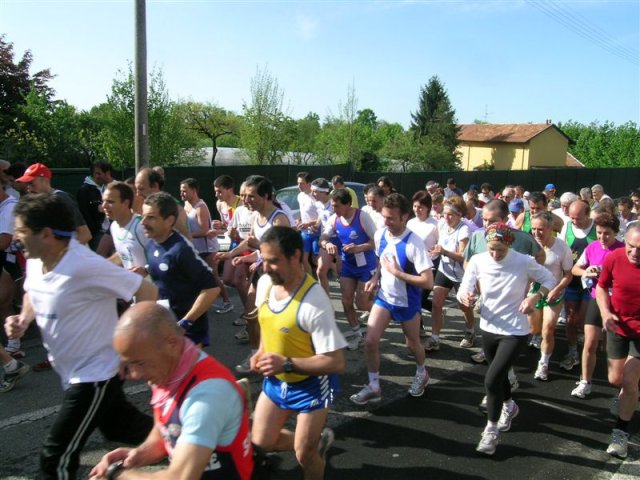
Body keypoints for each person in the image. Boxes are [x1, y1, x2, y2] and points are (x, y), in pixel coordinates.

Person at [5, 193, 157, 480]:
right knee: (121, 428)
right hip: (73, 371)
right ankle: (203, 448)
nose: (16, 238)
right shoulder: (38, 260)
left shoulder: (83, 265)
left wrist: (130, 348)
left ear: (47, 234)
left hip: (95, 375)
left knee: (56, 456)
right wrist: (23, 320)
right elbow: (32, 293)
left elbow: (145, 290)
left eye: (22, 231)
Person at [89, 302, 254, 480]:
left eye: (139, 363)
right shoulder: (168, 373)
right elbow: (168, 430)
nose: (134, 374)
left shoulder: (207, 396)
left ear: (171, 343)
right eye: (128, 364)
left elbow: (181, 477)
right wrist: (138, 455)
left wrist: (117, 473)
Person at [250, 226, 346, 480]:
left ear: (295, 255)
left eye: (274, 261)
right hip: (277, 381)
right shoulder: (265, 284)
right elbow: (266, 322)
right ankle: (315, 442)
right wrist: (261, 352)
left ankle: (311, 448)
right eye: (263, 260)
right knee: (260, 444)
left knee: (304, 455)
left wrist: (287, 364)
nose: (266, 268)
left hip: (311, 386)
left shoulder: (315, 302)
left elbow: (336, 362)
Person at [457, 223, 556, 456]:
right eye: (491, 249)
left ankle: (490, 431)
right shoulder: (479, 260)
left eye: (500, 249)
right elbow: (464, 287)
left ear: (509, 244)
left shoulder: (523, 260)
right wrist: (466, 296)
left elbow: (550, 279)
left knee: (491, 380)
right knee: (498, 374)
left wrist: (534, 297)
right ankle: (509, 405)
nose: (495, 254)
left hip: (515, 330)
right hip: (489, 327)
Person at [350, 194, 434, 405]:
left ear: (404, 217)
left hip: (407, 302)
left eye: (391, 218)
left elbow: (428, 282)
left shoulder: (414, 243)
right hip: (384, 298)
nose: (386, 222)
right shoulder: (380, 235)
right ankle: (374, 385)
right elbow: (381, 260)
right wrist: (375, 277)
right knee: (370, 341)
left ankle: (422, 372)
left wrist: (398, 274)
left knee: (412, 344)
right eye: (384, 217)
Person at [217, 175, 290, 373]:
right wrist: (231, 254)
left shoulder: (279, 219)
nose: (246, 200)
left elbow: (282, 252)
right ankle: (255, 355)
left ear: (266, 196)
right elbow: (250, 241)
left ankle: (284, 357)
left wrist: (257, 254)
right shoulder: (256, 217)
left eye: (251, 196)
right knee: (250, 315)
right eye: (244, 196)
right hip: (262, 274)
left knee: (277, 320)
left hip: (281, 278)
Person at [141, 192, 220, 347]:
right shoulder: (151, 244)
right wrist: (146, 270)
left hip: (189, 334)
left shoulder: (181, 250)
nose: (143, 222)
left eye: (151, 217)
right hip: (165, 328)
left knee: (186, 372)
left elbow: (212, 288)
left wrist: (185, 323)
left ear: (169, 220)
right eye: (143, 216)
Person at [596, 223, 640, 458]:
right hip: (617, 326)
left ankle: (620, 434)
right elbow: (602, 287)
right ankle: (627, 398)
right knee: (616, 379)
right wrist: (605, 313)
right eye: (631, 247)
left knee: (630, 381)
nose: (634, 253)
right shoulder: (614, 258)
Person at [570, 213, 623, 398]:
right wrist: (587, 272)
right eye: (599, 232)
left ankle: (620, 391)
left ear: (616, 232)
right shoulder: (592, 247)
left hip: (618, 304)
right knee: (590, 342)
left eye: (607, 233)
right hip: (595, 299)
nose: (602, 237)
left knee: (613, 348)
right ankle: (585, 382)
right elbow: (575, 268)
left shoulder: (624, 250)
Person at [319, 188, 377, 350]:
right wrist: (327, 243)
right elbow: (322, 238)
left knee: (362, 303)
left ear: (347, 204)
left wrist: (359, 247)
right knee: (345, 301)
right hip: (348, 265)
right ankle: (358, 333)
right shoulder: (334, 219)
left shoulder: (363, 217)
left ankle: (385, 310)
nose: (334, 209)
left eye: (336, 206)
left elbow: (376, 241)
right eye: (332, 206)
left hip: (366, 266)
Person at [529, 212, 573, 381]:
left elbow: (568, 274)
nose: (536, 233)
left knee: (548, 329)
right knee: (534, 330)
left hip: (553, 292)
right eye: (533, 229)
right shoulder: (529, 244)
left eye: (540, 229)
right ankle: (536, 337)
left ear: (550, 228)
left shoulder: (561, 247)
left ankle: (543, 364)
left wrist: (557, 289)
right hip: (533, 291)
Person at [425, 195, 472, 351]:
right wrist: (435, 252)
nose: (446, 217)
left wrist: (444, 251)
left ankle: (470, 331)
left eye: (450, 214)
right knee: (437, 304)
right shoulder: (442, 224)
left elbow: (462, 255)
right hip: (444, 270)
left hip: (460, 274)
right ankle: (435, 338)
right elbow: (440, 244)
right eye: (445, 213)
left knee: (464, 306)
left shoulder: (464, 229)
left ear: (459, 214)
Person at [180, 178, 233, 312]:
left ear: (194, 190)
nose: (182, 194)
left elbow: (204, 231)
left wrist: (187, 235)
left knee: (213, 276)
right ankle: (198, 304)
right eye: (181, 191)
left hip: (208, 248)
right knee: (194, 276)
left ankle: (227, 302)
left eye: (185, 191)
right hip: (194, 248)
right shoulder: (186, 205)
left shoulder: (200, 207)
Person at [558, 199, 597, 371]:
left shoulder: (598, 229)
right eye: (571, 218)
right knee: (570, 320)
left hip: (591, 285)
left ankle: (590, 352)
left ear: (588, 215)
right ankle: (573, 353)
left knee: (582, 321)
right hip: (572, 281)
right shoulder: (567, 226)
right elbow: (561, 248)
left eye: (578, 218)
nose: (574, 221)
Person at [16, 163, 92, 245]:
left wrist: (59, 254)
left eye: (31, 183)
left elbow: (85, 234)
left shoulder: (61, 199)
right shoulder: (36, 203)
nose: (29, 189)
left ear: (46, 180)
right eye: (27, 185)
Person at [102, 181, 148, 272]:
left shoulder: (142, 226)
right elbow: (123, 254)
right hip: (133, 285)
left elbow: (163, 254)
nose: (104, 206)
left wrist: (146, 270)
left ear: (126, 203)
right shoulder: (114, 226)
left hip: (153, 285)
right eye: (103, 201)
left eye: (110, 202)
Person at [134, 167, 191, 239]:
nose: (138, 194)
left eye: (141, 189)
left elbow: (185, 240)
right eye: (136, 189)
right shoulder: (141, 207)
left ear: (155, 186)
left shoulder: (173, 209)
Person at [77, 161, 113, 251]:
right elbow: (84, 214)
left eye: (99, 173)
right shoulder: (85, 191)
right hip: (97, 234)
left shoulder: (109, 188)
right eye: (95, 173)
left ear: (107, 174)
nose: (97, 176)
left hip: (110, 231)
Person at [311, 178, 338, 295]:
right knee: (320, 272)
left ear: (323, 192)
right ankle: (325, 301)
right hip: (325, 240)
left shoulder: (334, 205)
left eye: (315, 192)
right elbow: (321, 218)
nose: (312, 194)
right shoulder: (318, 204)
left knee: (345, 275)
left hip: (339, 240)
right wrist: (316, 226)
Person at [295, 171, 320, 275]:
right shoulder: (300, 196)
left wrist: (310, 223)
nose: (299, 186)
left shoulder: (316, 197)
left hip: (317, 232)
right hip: (305, 233)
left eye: (301, 183)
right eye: (298, 183)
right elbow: (303, 211)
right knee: (303, 259)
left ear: (309, 184)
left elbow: (322, 217)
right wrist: (299, 220)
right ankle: (310, 282)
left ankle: (338, 271)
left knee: (316, 259)